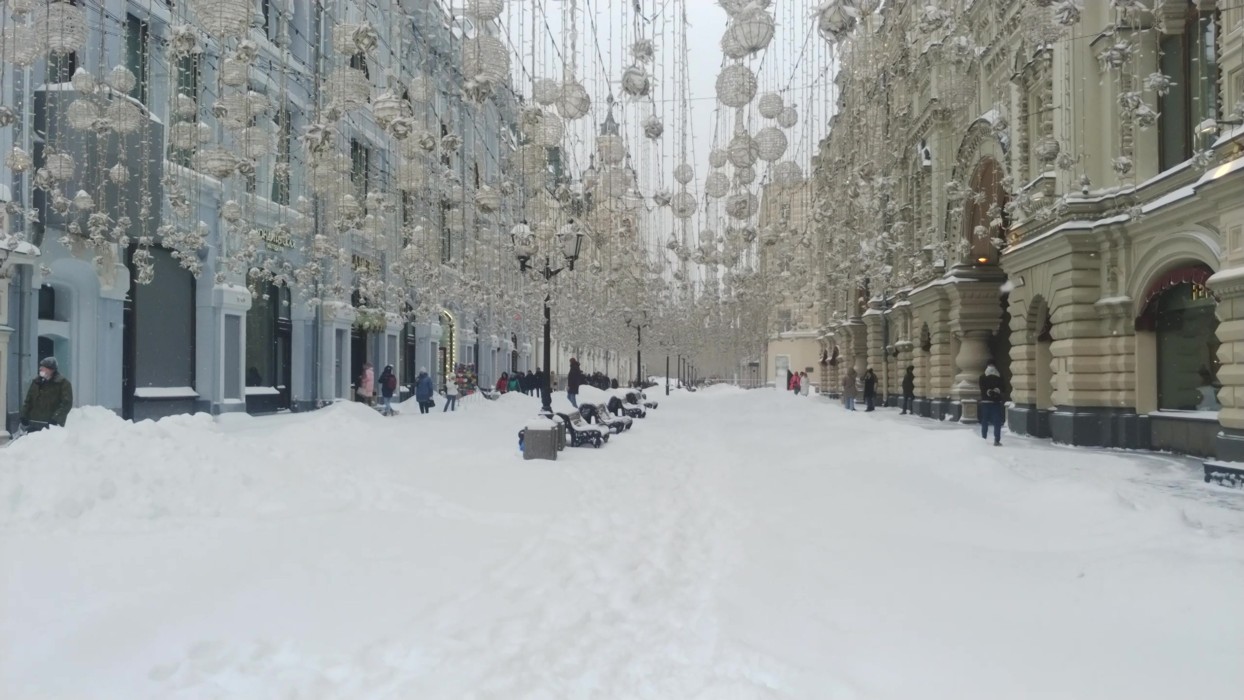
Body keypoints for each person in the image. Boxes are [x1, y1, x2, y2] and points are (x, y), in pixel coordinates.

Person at [21, 356, 73, 431]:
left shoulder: (63, 383)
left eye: (43, 367)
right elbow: (28, 401)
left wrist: (56, 419)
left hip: (51, 426)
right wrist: (24, 416)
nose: (40, 369)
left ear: (51, 369)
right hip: (33, 424)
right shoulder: (36, 382)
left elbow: (66, 404)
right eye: (40, 366)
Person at [979, 361, 1006, 446]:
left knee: (985, 421)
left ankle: (983, 439)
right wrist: (997, 391)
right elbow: (1003, 388)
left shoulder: (982, 376)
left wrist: (988, 392)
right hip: (996, 402)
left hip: (986, 402)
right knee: (997, 422)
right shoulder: (999, 376)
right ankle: (997, 440)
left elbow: (982, 389)